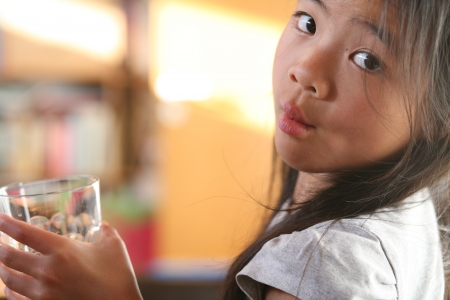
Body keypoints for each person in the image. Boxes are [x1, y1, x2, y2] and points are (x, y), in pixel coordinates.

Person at [0, 0, 449, 298]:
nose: (305, 68)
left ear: (438, 113)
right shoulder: (406, 200)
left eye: (367, 60)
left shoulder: (325, 264)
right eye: (309, 22)